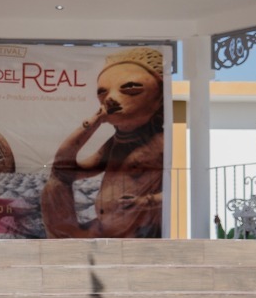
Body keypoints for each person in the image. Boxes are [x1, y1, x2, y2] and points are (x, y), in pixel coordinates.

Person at [41, 47, 166, 239]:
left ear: (160, 96)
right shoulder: (116, 143)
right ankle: (63, 240)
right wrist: (94, 121)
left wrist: (145, 202)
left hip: (134, 232)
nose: (110, 99)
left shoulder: (161, 142)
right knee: (56, 180)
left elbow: (181, 193)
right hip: (101, 229)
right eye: (103, 92)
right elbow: (63, 167)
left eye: (131, 88)